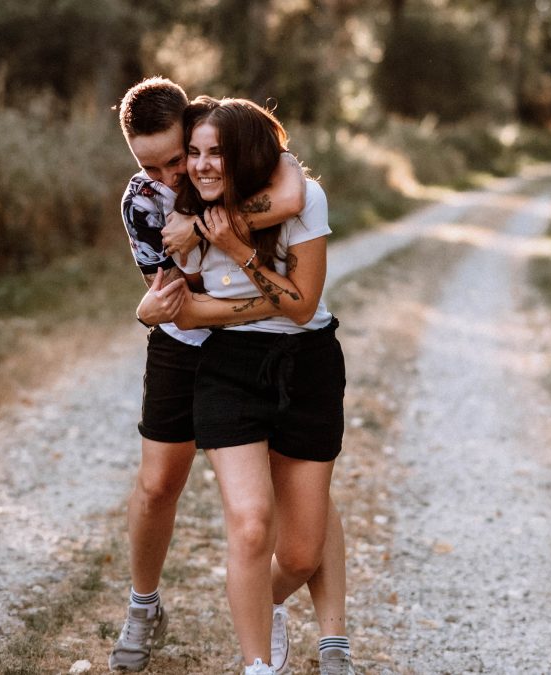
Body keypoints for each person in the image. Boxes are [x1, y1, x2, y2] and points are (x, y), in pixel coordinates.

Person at [138, 96, 354, 675]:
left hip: (308, 367)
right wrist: (269, 301)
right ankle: (257, 664)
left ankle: (265, 600)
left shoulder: (301, 200)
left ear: (248, 157)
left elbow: (304, 309)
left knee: (302, 552)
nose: (201, 165)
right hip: (230, 368)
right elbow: (186, 314)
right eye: (194, 153)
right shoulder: (182, 217)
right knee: (252, 524)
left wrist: (237, 252)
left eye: (217, 153)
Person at [110, 76, 307, 673]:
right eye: (150, 165)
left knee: (282, 487)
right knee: (158, 485)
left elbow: (292, 193)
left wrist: (199, 227)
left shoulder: (235, 154)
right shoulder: (141, 202)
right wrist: (150, 309)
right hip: (186, 343)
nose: (170, 176)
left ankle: (274, 602)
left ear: (193, 129)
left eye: (175, 159)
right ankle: (143, 604)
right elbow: (174, 297)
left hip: (257, 343)